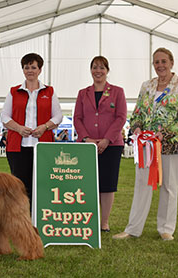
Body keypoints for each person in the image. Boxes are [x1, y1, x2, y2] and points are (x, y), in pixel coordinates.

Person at [113, 48, 178, 241]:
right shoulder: (146, 86)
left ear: (171, 63)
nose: (160, 65)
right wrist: (137, 128)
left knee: (169, 187)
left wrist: (164, 134)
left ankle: (166, 229)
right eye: (156, 62)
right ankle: (133, 229)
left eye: (163, 61)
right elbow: (138, 112)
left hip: (170, 145)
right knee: (142, 185)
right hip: (146, 146)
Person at [1, 53, 63, 206]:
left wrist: (45, 127)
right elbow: (4, 116)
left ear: (40, 70)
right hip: (17, 147)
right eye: (26, 67)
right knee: (19, 186)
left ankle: (40, 215)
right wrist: (18, 128)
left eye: (33, 67)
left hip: (43, 147)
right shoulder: (14, 91)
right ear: (22, 70)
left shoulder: (49, 92)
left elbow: (58, 116)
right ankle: (21, 217)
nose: (30, 70)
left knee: (42, 183)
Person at [74, 56, 127, 232]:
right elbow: (77, 118)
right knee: (88, 183)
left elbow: (121, 117)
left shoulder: (118, 92)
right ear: (90, 70)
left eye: (102, 67)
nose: (98, 71)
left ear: (107, 70)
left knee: (108, 184)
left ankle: (104, 222)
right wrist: (86, 139)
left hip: (111, 145)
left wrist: (107, 139)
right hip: (86, 146)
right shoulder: (83, 93)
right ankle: (90, 219)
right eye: (95, 67)